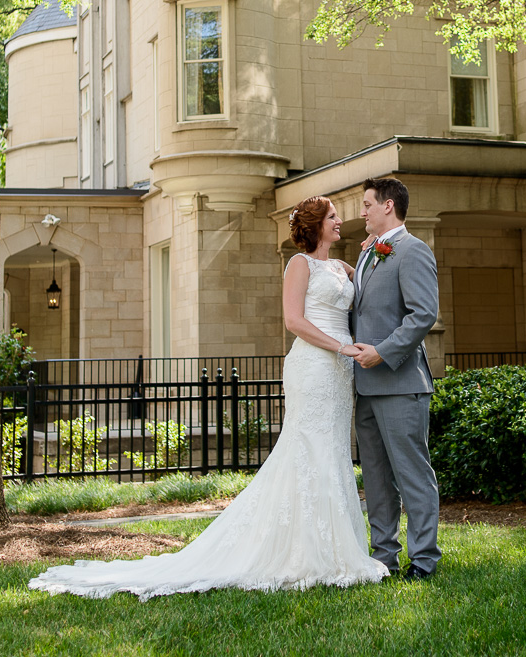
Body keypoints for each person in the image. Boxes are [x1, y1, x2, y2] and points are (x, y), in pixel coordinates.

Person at [28, 196, 388, 600]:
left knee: (334, 450)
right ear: (316, 224)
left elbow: (366, 301)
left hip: (341, 374)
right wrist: (340, 348)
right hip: (315, 367)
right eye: (334, 217)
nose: (341, 222)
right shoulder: (298, 265)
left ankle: (337, 546)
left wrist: (375, 253)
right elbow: (293, 321)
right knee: (309, 448)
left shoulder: (342, 267)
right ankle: (311, 551)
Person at [347, 176, 442, 580]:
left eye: (367, 204)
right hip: (364, 388)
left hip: (401, 385)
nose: (362, 211)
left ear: (388, 206)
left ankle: (423, 560)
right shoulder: (368, 253)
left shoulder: (413, 251)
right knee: (377, 480)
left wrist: (382, 353)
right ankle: (384, 557)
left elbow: (423, 314)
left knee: (412, 475)